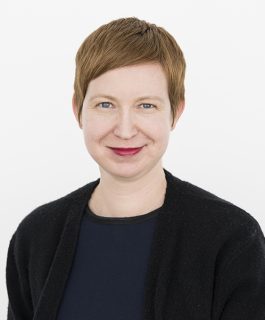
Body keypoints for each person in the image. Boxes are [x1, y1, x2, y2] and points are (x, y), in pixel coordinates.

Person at [6, 17, 265, 320]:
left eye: (146, 106)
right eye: (105, 104)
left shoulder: (232, 239)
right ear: (78, 110)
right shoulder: (36, 236)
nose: (125, 130)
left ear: (175, 112)